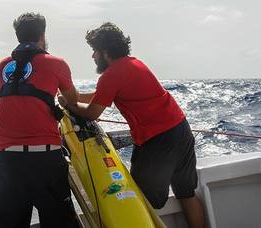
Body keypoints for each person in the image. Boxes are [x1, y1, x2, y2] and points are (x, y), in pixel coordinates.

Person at [59, 22, 205, 228]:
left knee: (137, 199)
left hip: (158, 142)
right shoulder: (135, 64)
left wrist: (70, 105)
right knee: (186, 193)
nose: (93, 57)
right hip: (181, 130)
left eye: (95, 52)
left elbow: (92, 112)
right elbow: (101, 95)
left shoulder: (112, 74)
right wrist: (72, 98)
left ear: (105, 52)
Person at [0, 12, 79, 228]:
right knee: (59, 222)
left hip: (6, 160)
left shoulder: (2, 66)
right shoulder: (56, 63)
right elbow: (72, 99)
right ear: (42, 35)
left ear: (18, 36)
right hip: (45, 159)